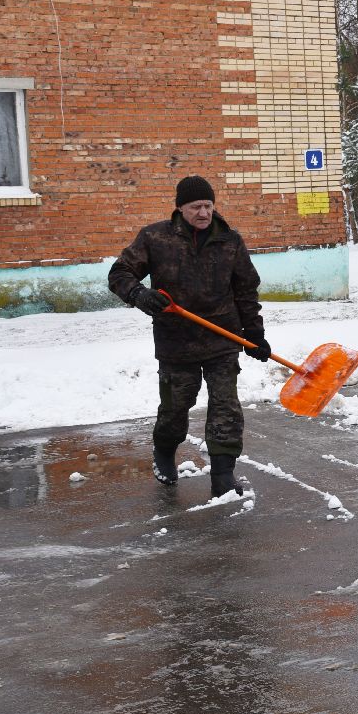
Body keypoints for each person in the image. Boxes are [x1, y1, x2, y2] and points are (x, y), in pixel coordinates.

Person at [108, 175, 269, 497]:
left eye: (209, 205)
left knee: (226, 407)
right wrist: (139, 295)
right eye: (196, 206)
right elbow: (120, 273)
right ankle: (165, 451)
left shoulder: (230, 241)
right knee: (175, 409)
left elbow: (246, 290)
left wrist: (254, 334)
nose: (204, 213)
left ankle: (223, 475)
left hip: (221, 337)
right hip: (176, 341)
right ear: (180, 208)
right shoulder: (155, 238)